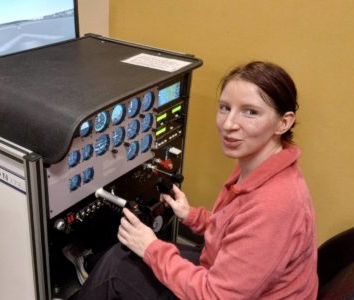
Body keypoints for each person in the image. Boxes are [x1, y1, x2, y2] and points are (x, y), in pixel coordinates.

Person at [72, 61, 318, 299]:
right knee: (130, 254)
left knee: (119, 265)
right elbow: (235, 228)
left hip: (216, 293)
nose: (229, 124)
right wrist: (191, 215)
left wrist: (149, 247)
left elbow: (215, 295)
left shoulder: (276, 204)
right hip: (226, 278)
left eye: (250, 112)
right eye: (225, 108)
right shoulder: (258, 166)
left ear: (283, 122)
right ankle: (94, 271)